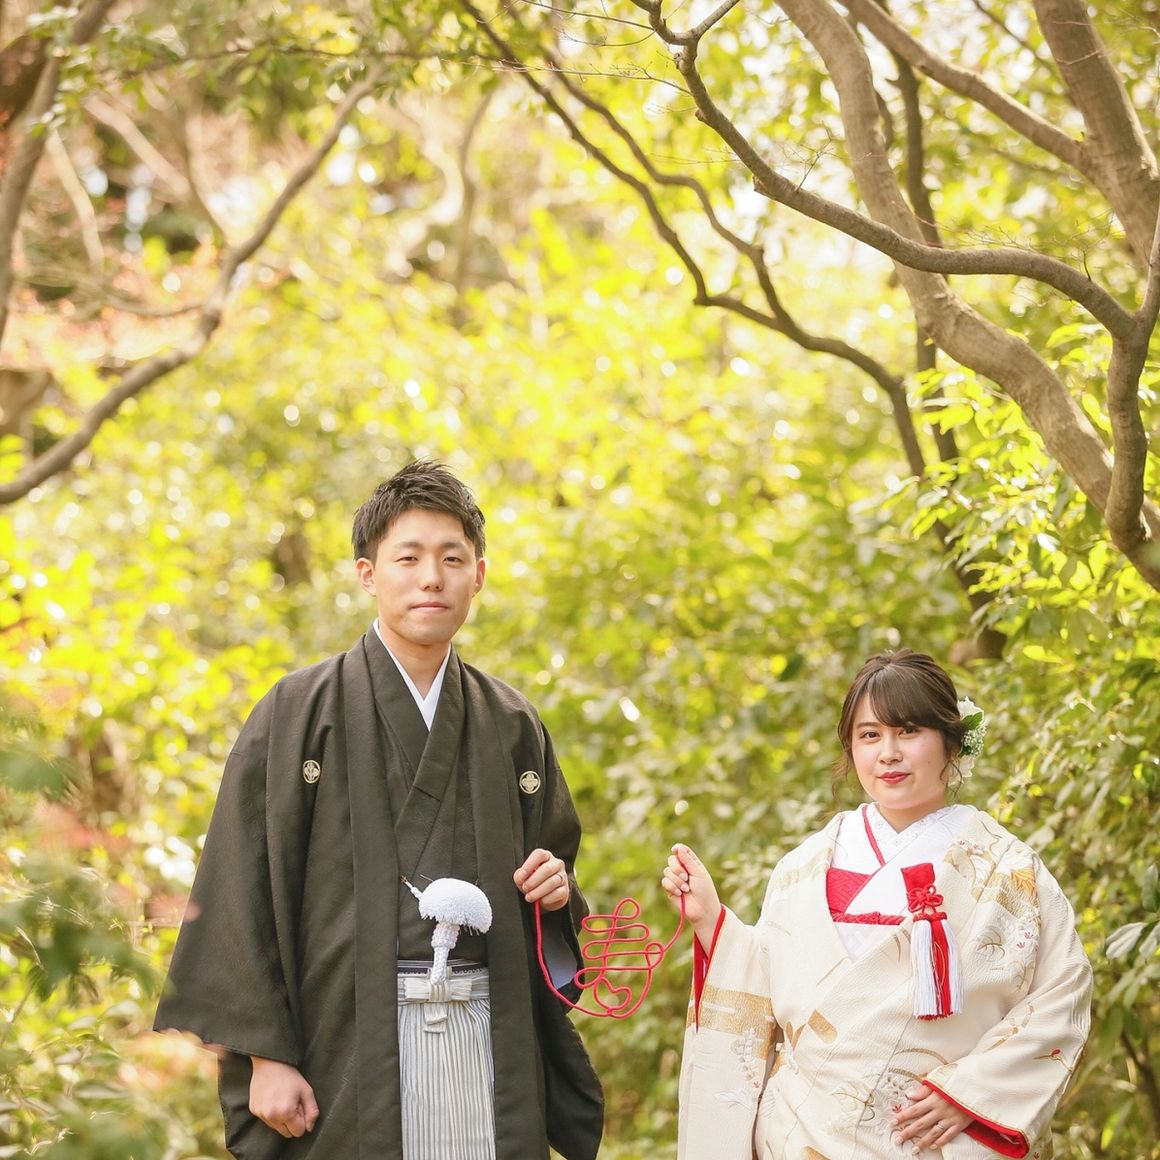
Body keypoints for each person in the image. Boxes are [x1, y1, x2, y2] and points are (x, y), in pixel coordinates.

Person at [155, 460, 603, 1160]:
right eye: (409, 558)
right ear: (368, 574)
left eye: (452, 558)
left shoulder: (511, 723)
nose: (432, 578)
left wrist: (556, 892)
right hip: (346, 1046)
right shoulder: (298, 714)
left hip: (488, 1036)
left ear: (478, 576)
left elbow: (555, 878)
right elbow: (240, 888)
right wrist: (264, 1056)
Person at [662, 649, 1091, 1159]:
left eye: (908, 731)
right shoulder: (805, 866)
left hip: (932, 1137)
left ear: (951, 741)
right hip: (799, 1134)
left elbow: (1062, 993)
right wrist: (712, 922)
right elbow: (766, 987)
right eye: (869, 735)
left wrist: (971, 1095)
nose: (888, 753)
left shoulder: (1008, 870)